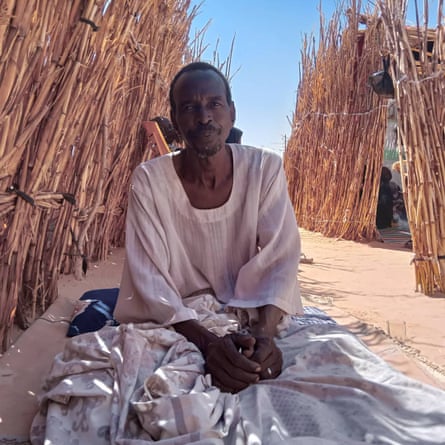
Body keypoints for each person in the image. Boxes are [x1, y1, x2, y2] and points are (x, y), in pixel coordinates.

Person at [114, 61, 303, 393]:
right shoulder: (150, 180)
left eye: (214, 104)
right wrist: (210, 345)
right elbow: (150, 278)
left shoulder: (264, 168)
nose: (204, 117)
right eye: (189, 107)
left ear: (232, 112)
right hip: (180, 316)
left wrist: (264, 339)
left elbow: (280, 259)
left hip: (252, 311)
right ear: (174, 121)